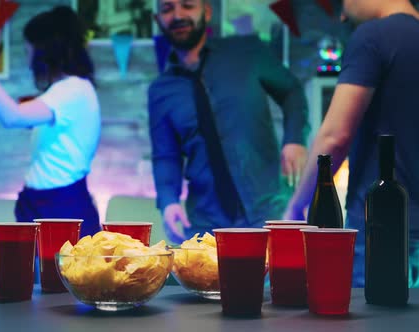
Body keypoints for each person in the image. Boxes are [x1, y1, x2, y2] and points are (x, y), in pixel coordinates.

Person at [149, 0, 309, 242]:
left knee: (279, 280)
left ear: (207, 11)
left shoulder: (247, 52)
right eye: (167, 9)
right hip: (204, 223)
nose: (178, 15)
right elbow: (166, 155)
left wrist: (294, 140)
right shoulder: (160, 90)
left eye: (188, 5)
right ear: (157, 19)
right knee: (203, 280)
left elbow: (291, 92)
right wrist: (169, 201)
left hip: (269, 211)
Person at [285, 0, 419, 288]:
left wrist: (296, 208)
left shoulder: (373, 36)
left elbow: (335, 137)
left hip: (383, 230)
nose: (344, 15)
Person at [0, 6, 101, 237]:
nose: (27, 57)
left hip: (61, 209)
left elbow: (12, 116)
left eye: (28, 49)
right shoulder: (68, 91)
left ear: (45, 50)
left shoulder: (73, 89)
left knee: (59, 274)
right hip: (45, 205)